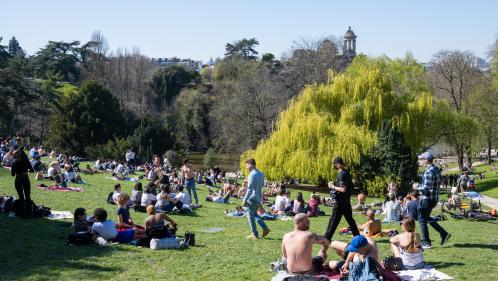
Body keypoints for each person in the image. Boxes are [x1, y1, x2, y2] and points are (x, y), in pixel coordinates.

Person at [415, 152, 451, 249]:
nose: (421, 161)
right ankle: (444, 234)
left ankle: (426, 242)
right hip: (434, 198)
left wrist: (416, 187)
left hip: (427, 199)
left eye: (422, 159)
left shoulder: (428, 171)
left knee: (421, 219)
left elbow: (426, 188)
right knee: (426, 218)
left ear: (426, 160)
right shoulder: (436, 169)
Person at [324, 157, 360, 241]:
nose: (334, 166)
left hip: (340, 202)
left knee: (333, 220)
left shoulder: (342, 174)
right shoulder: (347, 172)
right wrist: (335, 183)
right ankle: (358, 237)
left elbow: (343, 189)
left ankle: (326, 238)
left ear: (337, 164)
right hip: (346, 201)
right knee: (350, 220)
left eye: (335, 164)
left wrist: (332, 186)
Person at [242, 158, 270, 239]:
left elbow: (250, 189)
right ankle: (264, 228)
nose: (246, 168)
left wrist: (244, 200)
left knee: (250, 216)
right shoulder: (261, 174)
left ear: (250, 164)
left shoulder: (252, 174)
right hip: (257, 198)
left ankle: (255, 234)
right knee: (254, 214)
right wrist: (260, 200)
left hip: (251, 198)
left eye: (246, 166)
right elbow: (261, 188)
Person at [11, 148, 34, 217]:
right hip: (26, 178)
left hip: (18, 179)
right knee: (28, 197)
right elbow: (32, 170)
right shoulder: (26, 160)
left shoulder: (14, 161)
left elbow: (12, 174)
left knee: (21, 197)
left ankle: (23, 213)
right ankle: (30, 213)